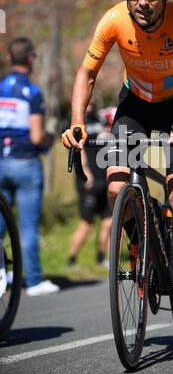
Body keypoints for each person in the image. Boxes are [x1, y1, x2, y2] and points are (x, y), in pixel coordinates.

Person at [62, 0, 173, 316]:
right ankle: (143, 241)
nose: (142, 1)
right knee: (115, 187)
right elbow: (87, 73)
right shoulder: (112, 20)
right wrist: (77, 122)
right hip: (137, 104)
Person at [0, 37, 60, 296]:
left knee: (1, 222)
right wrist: (50, 139)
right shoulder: (32, 92)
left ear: (9, 58)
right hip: (25, 164)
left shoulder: (1, 87)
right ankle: (33, 281)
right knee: (26, 226)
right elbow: (36, 136)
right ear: (32, 59)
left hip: (1, 161)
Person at [67, 103, 115, 268]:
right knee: (87, 223)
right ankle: (71, 260)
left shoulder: (99, 119)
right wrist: (86, 172)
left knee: (108, 221)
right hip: (89, 180)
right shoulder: (76, 122)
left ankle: (103, 258)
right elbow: (77, 150)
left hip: (105, 178)